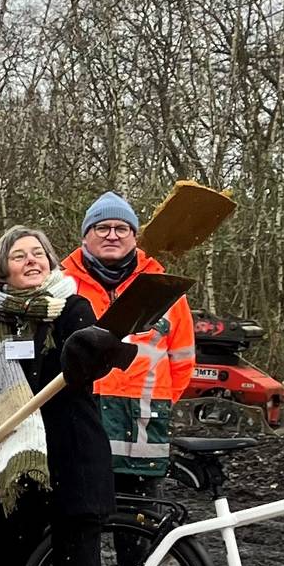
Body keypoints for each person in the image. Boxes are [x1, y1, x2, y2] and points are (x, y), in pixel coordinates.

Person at [0, 225, 118, 566]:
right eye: (19, 256)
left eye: (38, 253)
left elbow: (87, 376)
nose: (31, 260)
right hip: (22, 465)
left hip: (74, 458)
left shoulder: (74, 308)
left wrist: (90, 350)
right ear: (3, 271)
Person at [62, 191, 197, 489]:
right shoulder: (61, 286)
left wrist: (156, 402)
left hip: (143, 429)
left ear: (134, 236)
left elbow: (183, 361)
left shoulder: (163, 289)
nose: (112, 235)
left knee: (140, 522)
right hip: (80, 423)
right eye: (102, 228)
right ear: (86, 236)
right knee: (80, 525)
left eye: (121, 228)